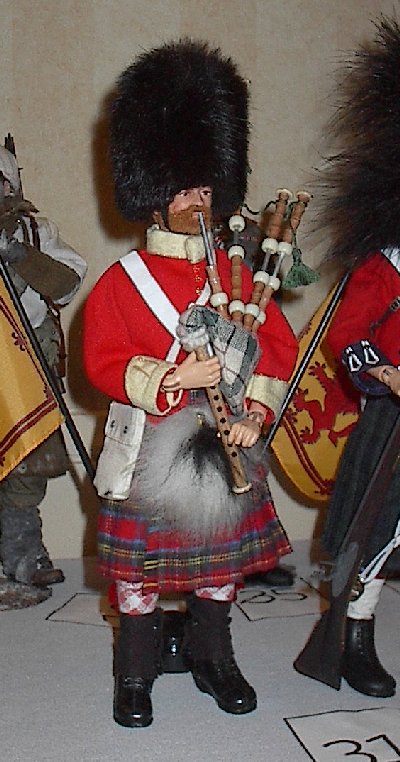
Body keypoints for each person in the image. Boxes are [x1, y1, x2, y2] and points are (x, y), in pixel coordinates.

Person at [83, 39, 298, 728]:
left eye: (205, 188)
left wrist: (255, 413)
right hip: (150, 447)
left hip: (226, 443)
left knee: (218, 571)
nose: (197, 201)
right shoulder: (124, 282)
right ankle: (135, 671)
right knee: (138, 575)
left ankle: (214, 657)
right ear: (154, 198)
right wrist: (175, 376)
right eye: (183, 189)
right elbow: (102, 359)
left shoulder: (239, 279)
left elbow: (277, 348)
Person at [310, 16, 400, 698]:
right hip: (392, 421)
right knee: (374, 534)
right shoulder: (384, 266)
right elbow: (349, 335)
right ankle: (354, 637)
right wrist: (387, 374)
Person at [0, 145, 87, 587]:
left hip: (27, 365)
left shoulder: (36, 232)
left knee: (27, 462)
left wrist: (19, 256)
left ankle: (24, 555)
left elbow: (67, 283)